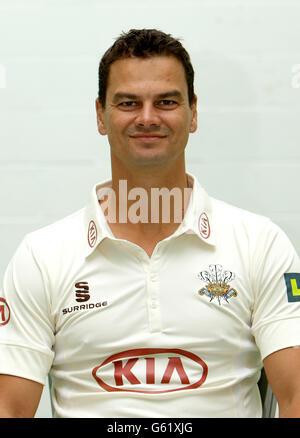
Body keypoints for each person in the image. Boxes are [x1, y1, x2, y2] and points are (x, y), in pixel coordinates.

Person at [1, 28, 300, 419]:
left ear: (193, 113)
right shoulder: (42, 256)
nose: (147, 117)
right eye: (128, 102)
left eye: (166, 101)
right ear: (100, 115)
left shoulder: (261, 244)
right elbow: (9, 408)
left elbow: (295, 397)